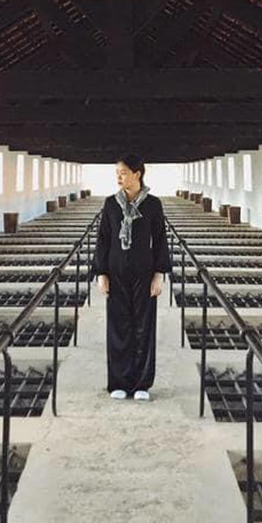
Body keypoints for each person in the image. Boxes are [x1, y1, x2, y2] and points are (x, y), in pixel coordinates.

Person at [92, 154, 172, 401]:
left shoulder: (153, 205)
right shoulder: (110, 204)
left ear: (137, 174)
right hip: (116, 273)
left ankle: (141, 384)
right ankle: (118, 382)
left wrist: (159, 275)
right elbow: (103, 239)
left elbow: (160, 240)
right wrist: (101, 273)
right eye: (117, 172)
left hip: (144, 273)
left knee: (143, 327)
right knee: (118, 327)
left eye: (123, 172)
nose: (119, 177)